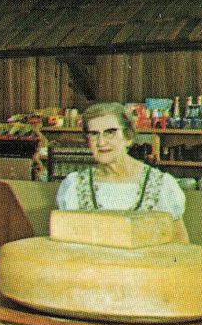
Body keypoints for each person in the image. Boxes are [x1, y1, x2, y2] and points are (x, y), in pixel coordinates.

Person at [55, 102, 189, 238]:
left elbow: (180, 246)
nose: (101, 142)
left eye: (110, 133)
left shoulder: (161, 185)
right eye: (94, 134)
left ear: (128, 137)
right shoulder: (74, 185)